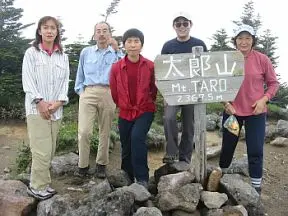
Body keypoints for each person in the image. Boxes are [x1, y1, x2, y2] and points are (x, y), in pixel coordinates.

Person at [219, 24, 279, 194]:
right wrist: (226, 103)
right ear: (235, 41)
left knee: (255, 149)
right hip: (232, 112)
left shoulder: (262, 59)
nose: (243, 42)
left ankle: (256, 187)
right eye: (240, 38)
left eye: (247, 38)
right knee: (228, 147)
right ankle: (221, 180)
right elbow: (217, 85)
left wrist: (264, 100)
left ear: (253, 40)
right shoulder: (227, 59)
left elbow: (274, 84)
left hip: (256, 113)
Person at [22, 16, 70, 200]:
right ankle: (36, 186)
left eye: (53, 28)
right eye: (46, 27)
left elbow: (65, 82)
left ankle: (44, 182)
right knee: (41, 149)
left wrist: (58, 102)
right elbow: (28, 80)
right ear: (39, 31)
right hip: (36, 110)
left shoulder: (63, 56)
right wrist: (40, 102)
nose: (49, 31)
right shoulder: (31, 53)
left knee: (50, 150)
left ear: (57, 32)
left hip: (55, 110)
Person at [110, 28, 157, 188]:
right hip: (125, 111)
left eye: (136, 41)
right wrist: (124, 104)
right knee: (126, 144)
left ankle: (142, 177)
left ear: (141, 45)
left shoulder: (150, 66)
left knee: (137, 138)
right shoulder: (116, 67)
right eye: (129, 41)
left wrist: (147, 102)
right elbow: (114, 92)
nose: (133, 45)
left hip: (145, 110)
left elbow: (154, 89)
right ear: (124, 45)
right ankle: (126, 175)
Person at [74, 21, 122, 178]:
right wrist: (81, 91)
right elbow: (79, 73)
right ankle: (83, 165)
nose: (101, 34)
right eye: (98, 31)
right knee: (84, 131)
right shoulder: (86, 52)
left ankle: (101, 165)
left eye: (105, 31)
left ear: (110, 34)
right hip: (88, 92)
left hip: (108, 93)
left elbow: (124, 68)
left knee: (105, 131)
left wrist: (117, 49)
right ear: (94, 34)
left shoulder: (116, 54)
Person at [161, 12, 207, 164]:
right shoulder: (168, 46)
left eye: (185, 23)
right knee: (168, 118)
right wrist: (165, 94)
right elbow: (163, 71)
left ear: (190, 25)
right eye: (178, 24)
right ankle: (171, 153)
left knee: (189, 125)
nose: (182, 27)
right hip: (174, 91)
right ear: (174, 26)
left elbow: (206, 68)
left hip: (193, 91)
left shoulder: (200, 44)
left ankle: (185, 157)